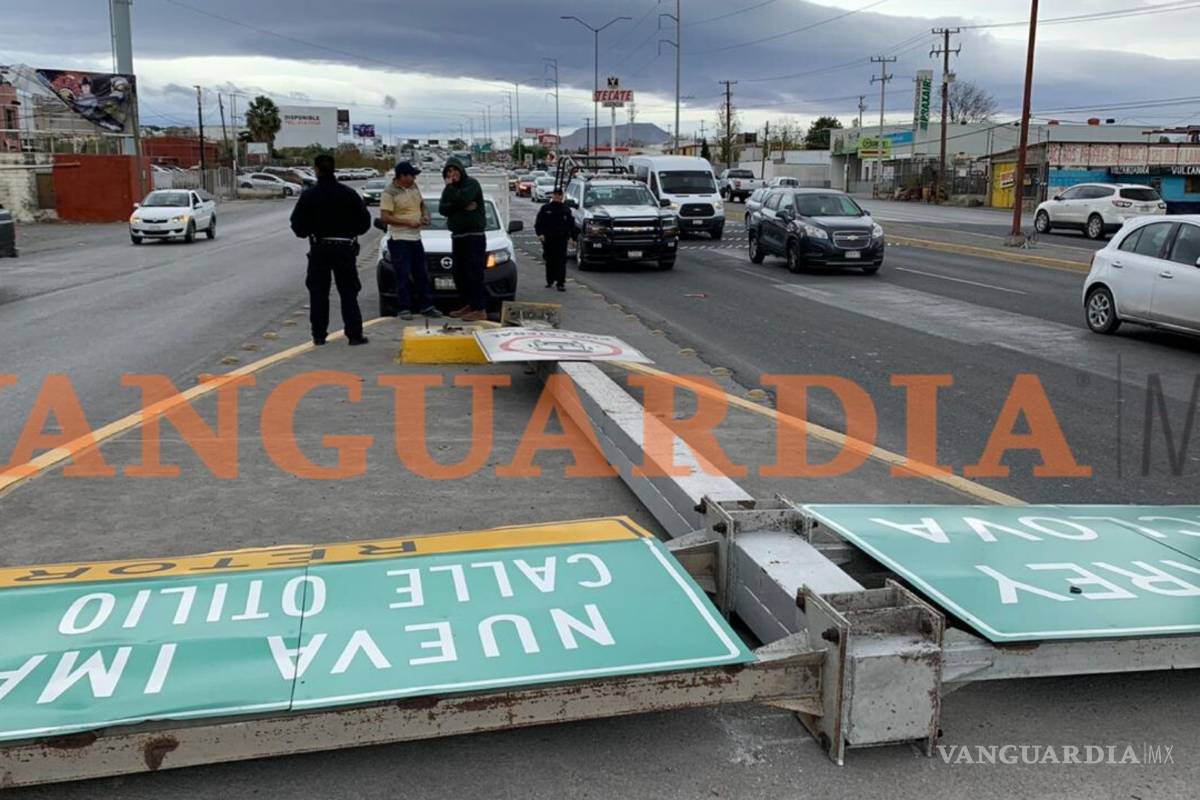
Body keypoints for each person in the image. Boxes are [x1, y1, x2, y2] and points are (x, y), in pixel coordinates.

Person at [289, 154, 371, 346]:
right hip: (344, 248)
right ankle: (354, 335)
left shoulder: (310, 195)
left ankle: (318, 335)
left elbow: (297, 225)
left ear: (316, 170)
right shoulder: (348, 194)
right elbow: (365, 222)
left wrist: (310, 230)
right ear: (333, 168)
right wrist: (350, 232)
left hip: (320, 248)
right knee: (349, 292)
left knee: (318, 293)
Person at [379, 162, 440, 320]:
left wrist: (425, 216)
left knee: (421, 273)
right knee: (403, 275)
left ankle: (427, 306)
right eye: (411, 175)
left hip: (416, 238)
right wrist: (407, 222)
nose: (414, 178)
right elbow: (385, 217)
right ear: (402, 176)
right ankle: (404, 308)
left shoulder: (414, 187)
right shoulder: (389, 193)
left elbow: (422, 205)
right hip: (399, 239)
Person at [438, 157, 487, 322]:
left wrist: (456, 199)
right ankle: (469, 304)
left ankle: (479, 308)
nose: (452, 174)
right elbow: (442, 209)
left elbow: (465, 198)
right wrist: (460, 205)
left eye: (454, 170)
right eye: (448, 172)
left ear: (461, 170)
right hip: (458, 236)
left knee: (474, 272)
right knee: (459, 273)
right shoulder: (448, 189)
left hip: (474, 235)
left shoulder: (472, 184)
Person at [534, 187, 577, 291]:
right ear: (553, 196)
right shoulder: (546, 208)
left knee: (561, 261)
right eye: (555, 194)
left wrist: (573, 238)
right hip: (548, 239)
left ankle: (560, 283)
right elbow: (539, 223)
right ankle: (550, 280)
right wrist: (540, 234)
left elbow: (571, 225)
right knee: (550, 260)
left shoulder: (566, 209)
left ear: (562, 196)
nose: (557, 196)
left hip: (561, 239)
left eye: (559, 195)